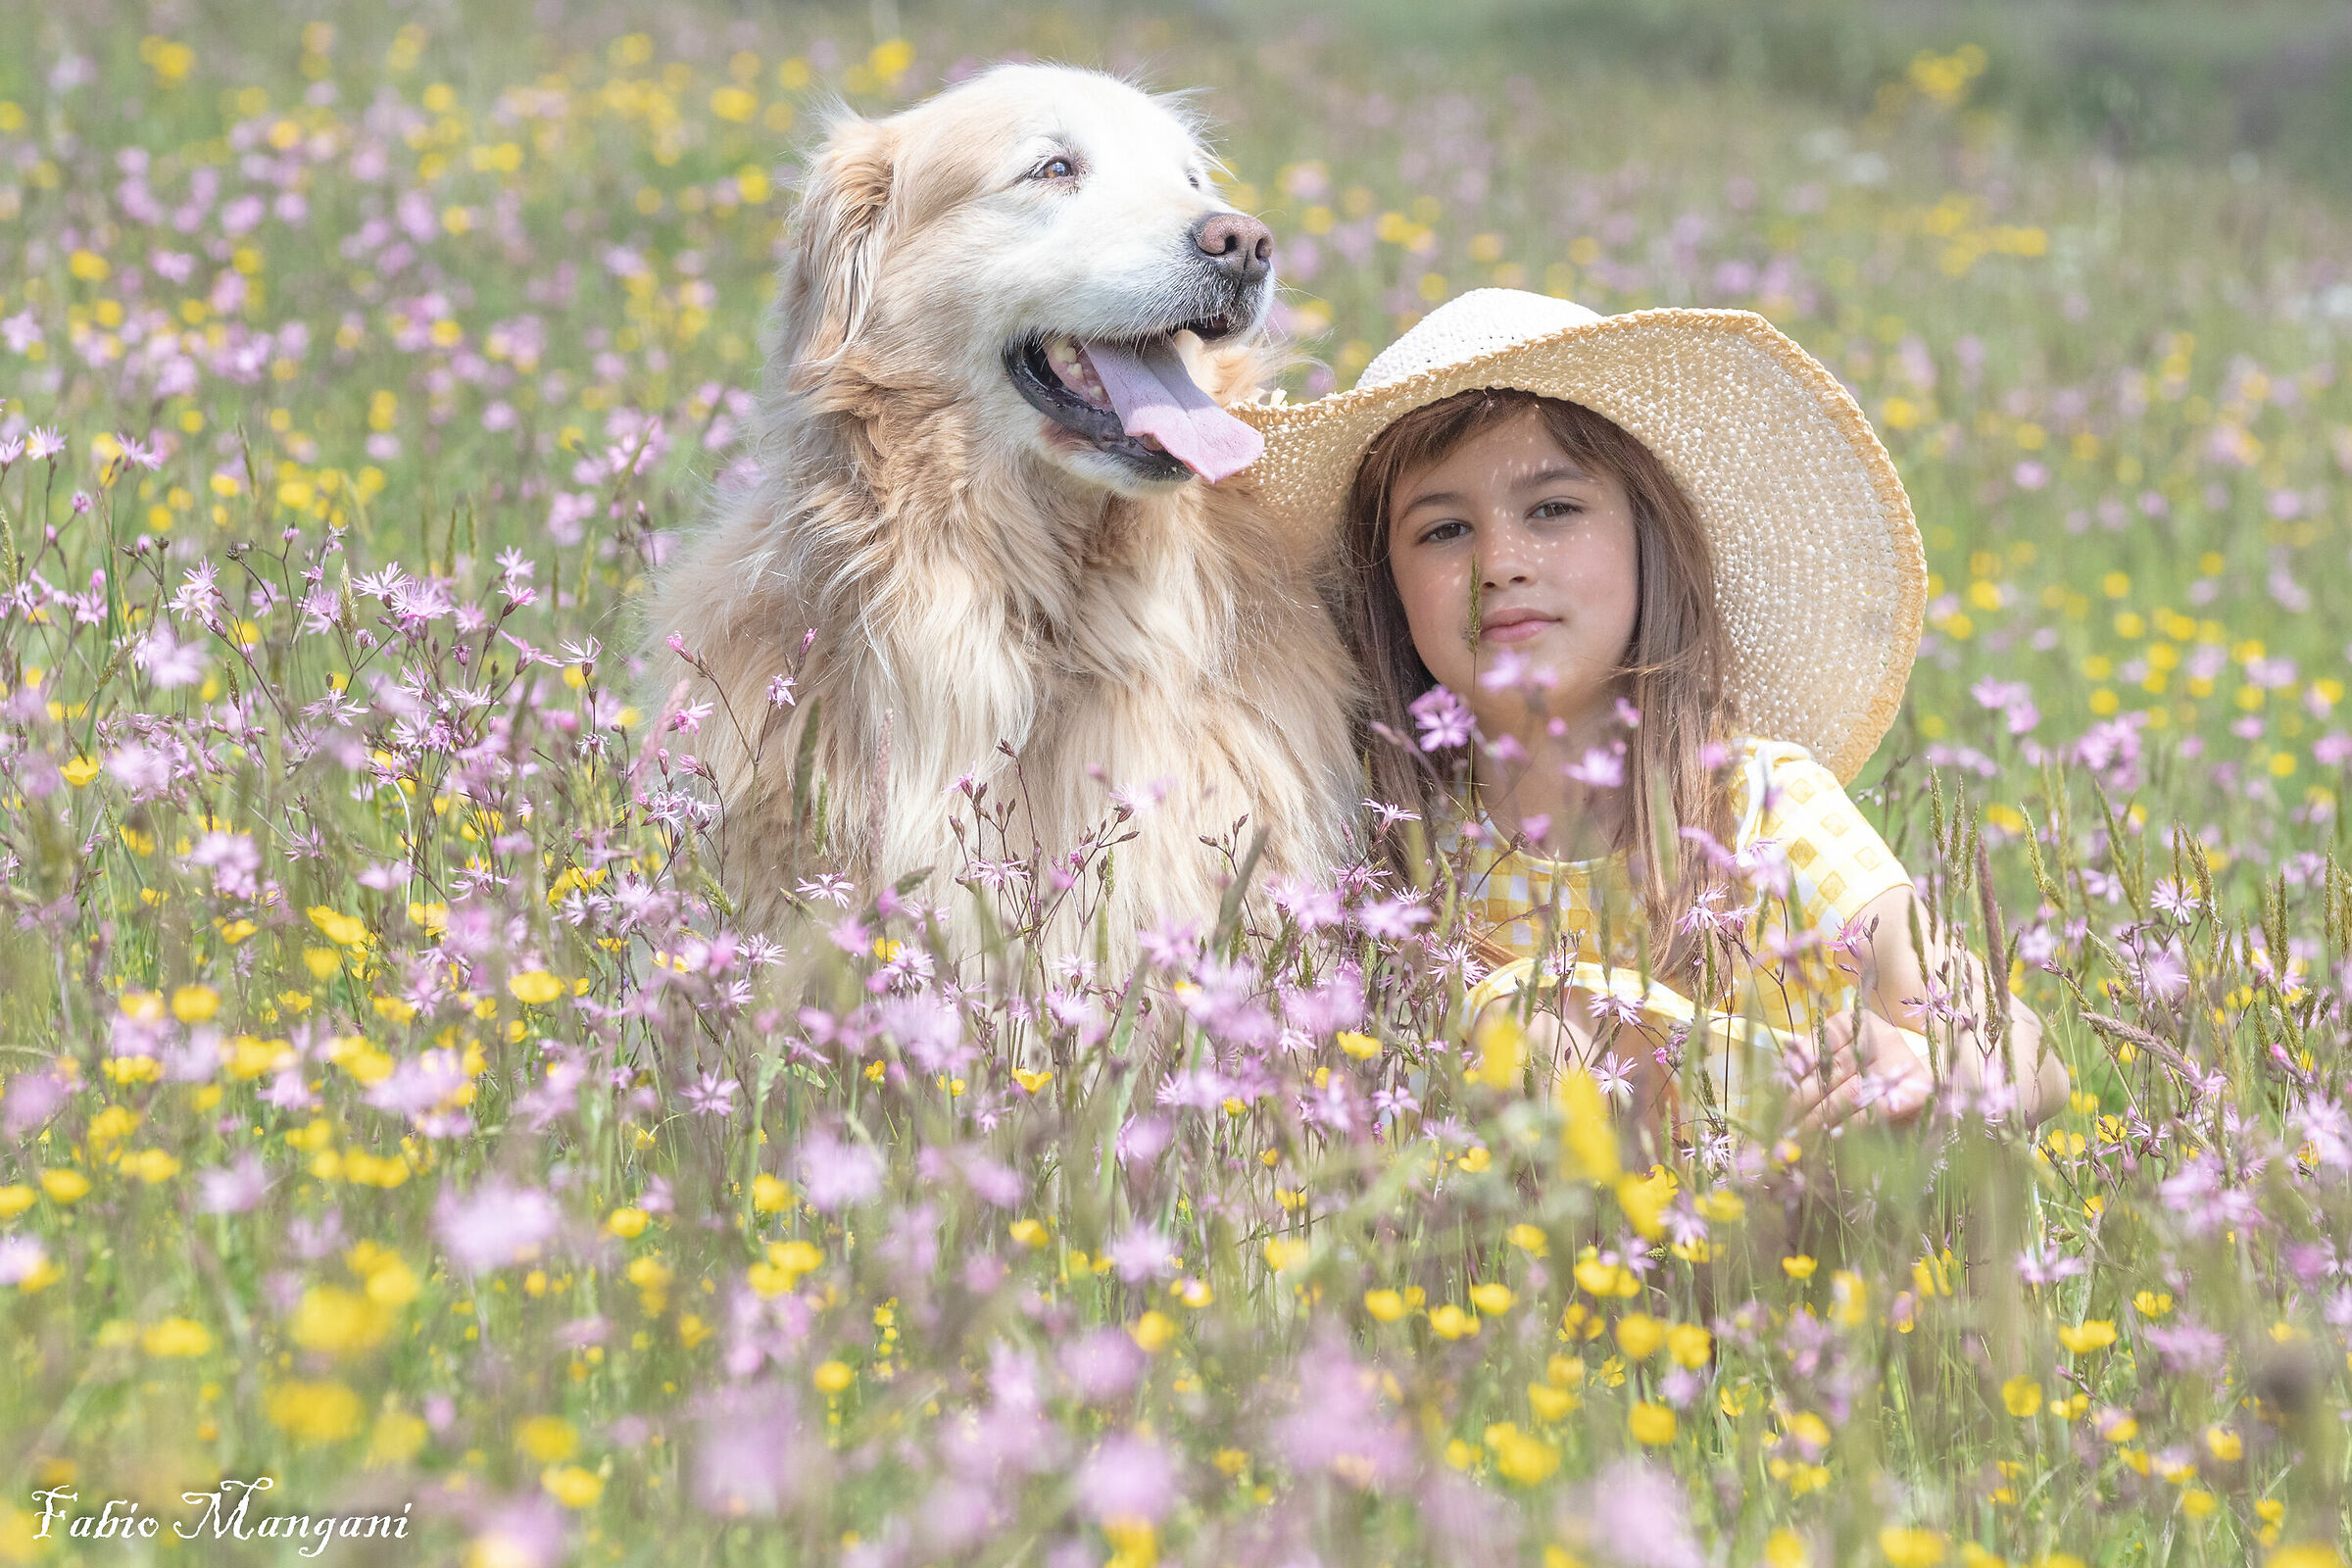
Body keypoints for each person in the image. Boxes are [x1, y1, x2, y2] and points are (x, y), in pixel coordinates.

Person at [1243, 290, 2068, 1148]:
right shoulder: (1392, 836)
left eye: (1553, 510)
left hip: (1813, 1210)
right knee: (1527, 1032)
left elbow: (2021, 1051)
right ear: (1390, 590)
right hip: (1539, 1255)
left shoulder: (1754, 800)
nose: (1502, 563)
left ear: (1649, 540)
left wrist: (1935, 1077)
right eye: (1446, 530)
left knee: (1544, 1027)